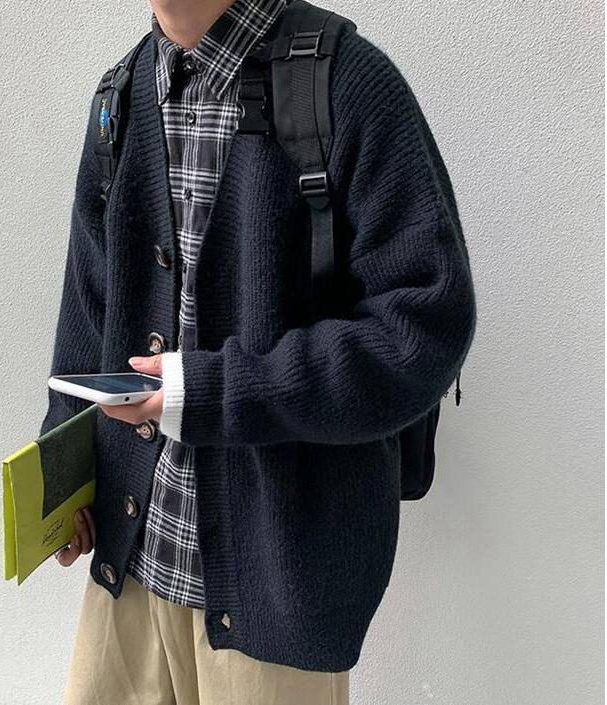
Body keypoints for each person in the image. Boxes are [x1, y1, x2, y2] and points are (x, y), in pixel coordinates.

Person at [42, 0, 477, 702]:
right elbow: (89, 307)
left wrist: (214, 393)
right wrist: (61, 482)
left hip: (275, 599)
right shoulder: (120, 95)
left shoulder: (345, 83)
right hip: (130, 564)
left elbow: (422, 329)